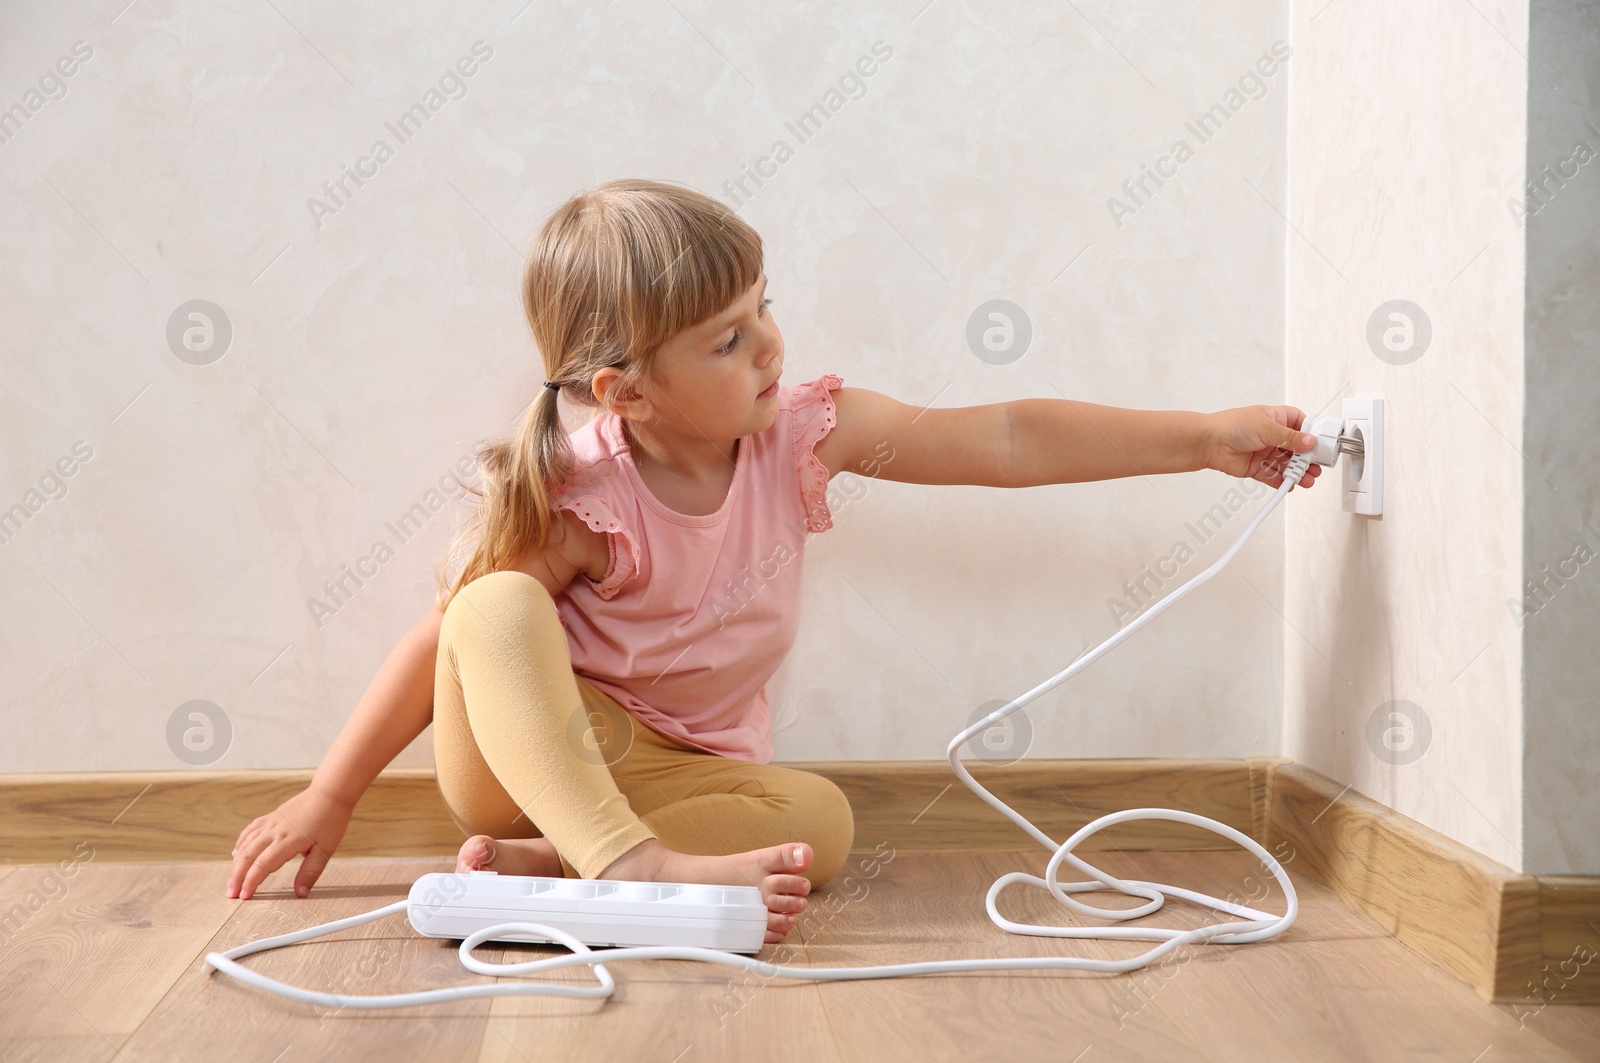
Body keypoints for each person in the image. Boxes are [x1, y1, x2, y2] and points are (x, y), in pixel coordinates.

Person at [224, 178, 1323, 945]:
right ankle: (628, 869)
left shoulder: (803, 431)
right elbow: (452, 642)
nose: (771, 347)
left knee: (824, 824)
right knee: (491, 601)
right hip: (536, 758)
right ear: (626, 391)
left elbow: (1000, 437)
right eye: (727, 338)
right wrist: (331, 791)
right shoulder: (583, 488)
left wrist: (1201, 437)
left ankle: (562, 874)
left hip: (684, 777)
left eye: (764, 313)